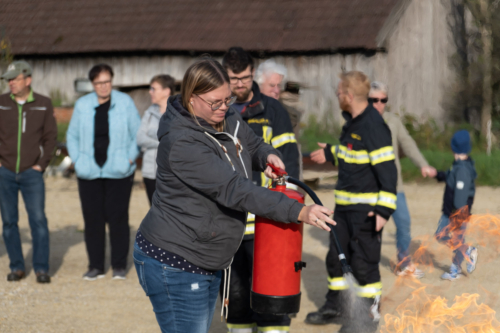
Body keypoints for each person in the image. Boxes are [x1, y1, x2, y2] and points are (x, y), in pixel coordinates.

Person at [133, 56, 335, 333]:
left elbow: (250, 142)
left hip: (205, 256)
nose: (224, 107)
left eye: (227, 99)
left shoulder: (223, 115)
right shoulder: (183, 142)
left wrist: (266, 156)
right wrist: (297, 211)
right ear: (192, 98)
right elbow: (233, 189)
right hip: (175, 262)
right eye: (215, 102)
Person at [306, 71, 398, 332]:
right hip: (344, 210)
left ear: (348, 96)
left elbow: (388, 174)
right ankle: (338, 307)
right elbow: (354, 153)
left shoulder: (374, 126)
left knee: (364, 266)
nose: (337, 97)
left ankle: (367, 321)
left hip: (366, 213)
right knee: (336, 259)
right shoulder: (353, 122)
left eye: (338, 94)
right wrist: (332, 152)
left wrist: (382, 212)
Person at [221, 48, 300, 333]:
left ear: (253, 74)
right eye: (233, 78)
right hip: (231, 222)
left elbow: (289, 162)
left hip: (267, 220)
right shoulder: (219, 111)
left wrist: (287, 208)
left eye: (244, 78)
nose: (240, 84)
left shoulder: (273, 110)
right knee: (236, 296)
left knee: (271, 295)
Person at [67, 63, 141, 281]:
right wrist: (78, 160)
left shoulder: (125, 102)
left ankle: (118, 265)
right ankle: (95, 266)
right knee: (92, 219)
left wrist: (129, 158)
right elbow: (71, 136)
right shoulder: (82, 105)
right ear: (92, 84)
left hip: (119, 170)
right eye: (99, 83)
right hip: (88, 171)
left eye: (107, 81)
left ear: (112, 81)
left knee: (118, 218)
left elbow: (137, 133)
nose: (103, 86)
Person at [368, 81, 436, 277]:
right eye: (374, 100)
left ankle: (404, 263)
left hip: (394, 186)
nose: (378, 104)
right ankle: (364, 266)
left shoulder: (393, 122)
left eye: (383, 100)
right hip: (371, 188)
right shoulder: (360, 123)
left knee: (404, 223)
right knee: (371, 230)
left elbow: (408, 144)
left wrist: (422, 164)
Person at [0, 60, 57, 283]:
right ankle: (17, 266)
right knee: (9, 222)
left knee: (38, 220)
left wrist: (41, 165)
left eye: (15, 79)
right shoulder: (2, 103)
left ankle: (41, 268)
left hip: (32, 173)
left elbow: (51, 137)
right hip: (5, 172)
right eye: (8, 79)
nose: (10, 83)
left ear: (28, 79)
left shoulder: (43, 103)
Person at [434, 130, 478, 281]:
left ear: (454, 148)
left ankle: (459, 263)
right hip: (451, 211)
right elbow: (449, 175)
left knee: (450, 237)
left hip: (458, 212)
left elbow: (460, 197)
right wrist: (437, 175)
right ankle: (465, 255)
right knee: (443, 235)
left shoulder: (463, 170)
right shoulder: (458, 165)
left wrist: (457, 216)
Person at [137, 74, 175, 205]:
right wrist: (161, 143)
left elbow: (176, 140)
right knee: (154, 211)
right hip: (150, 172)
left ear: (166, 91)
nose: (150, 91)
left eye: (153, 88)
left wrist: (152, 136)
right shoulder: (149, 112)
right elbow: (140, 138)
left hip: (172, 173)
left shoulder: (178, 113)